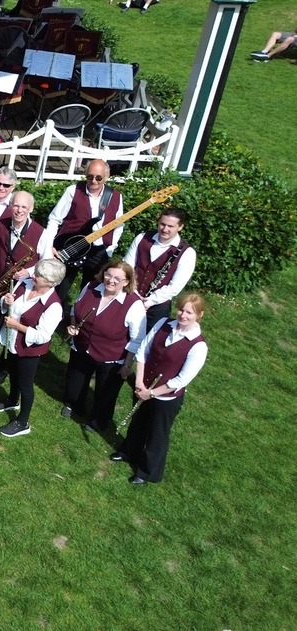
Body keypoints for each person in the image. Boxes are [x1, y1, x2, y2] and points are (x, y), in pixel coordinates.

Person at [113, 293, 209, 486]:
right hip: (144, 386)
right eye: (181, 309)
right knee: (138, 422)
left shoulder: (198, 346)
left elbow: (181, 379)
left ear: (199, 315)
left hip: (166, 398)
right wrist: (139, 381)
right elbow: (143, 351)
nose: (183, 315)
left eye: (189, 312)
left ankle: (148, 471)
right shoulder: (164, 323)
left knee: (157, 433)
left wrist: (152, 393)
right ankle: (129, 451)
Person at [60, 259, 146, 431]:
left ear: (126, 282)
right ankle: (73, 404)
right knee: (76, 380)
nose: (110, 280)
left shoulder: (134, 304)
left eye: (117, 278)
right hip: (82, 346)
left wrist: (127, 365)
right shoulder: (91, 287)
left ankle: (98, 421)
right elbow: (75, 309)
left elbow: (137, 339)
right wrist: (73, 324)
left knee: (105, 392)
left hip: (111, 356)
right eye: (108, 275)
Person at [0, 258, 67, 438]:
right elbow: (8, 307)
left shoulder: (54, 306)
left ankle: (23, 421)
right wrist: (6, 302)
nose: (35, 276)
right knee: (13, 372)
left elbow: (43, 336)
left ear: (50, 282)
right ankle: (12, 400)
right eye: (37, 272)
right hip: (12, 341)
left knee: (25, 384)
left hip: (29, 349)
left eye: (40, 276)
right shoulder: (25, 284)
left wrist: (17, 326)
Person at [0, 190, 49, 379]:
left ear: (31, 209)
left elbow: (47, 262)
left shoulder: (41, 233)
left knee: (11, 325)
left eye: (24, 207)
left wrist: (29, 272)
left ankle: (4, 366)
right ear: (10, 206)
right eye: (16, 205)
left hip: (22, 286)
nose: (19, 210)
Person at [44, 159, 124, 303]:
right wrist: (50, 246)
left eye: (99, 177)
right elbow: (55, 219)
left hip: (99, 251)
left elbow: (118, 226)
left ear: (107, 176)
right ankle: (52, 316)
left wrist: (109, 249)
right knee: (59, 288)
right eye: (89, 177)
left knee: (91, 292)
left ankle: (80, 320)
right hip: (71, 247)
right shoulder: (73, 191)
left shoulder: (116, 197)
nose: (94, 181)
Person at [123, 207, 196, 329]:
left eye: (170, 226)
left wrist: (149, 301)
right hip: (129, 295)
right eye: (162, 224)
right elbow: (127, 268)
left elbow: (175, 286)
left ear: (180, 227)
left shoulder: (187, 253)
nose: (165, 229)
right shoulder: (142, 238)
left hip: (157, 306)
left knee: (149, 344)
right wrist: (134, 293)